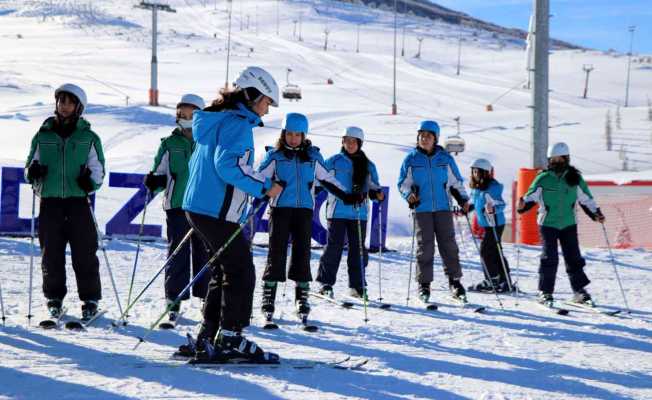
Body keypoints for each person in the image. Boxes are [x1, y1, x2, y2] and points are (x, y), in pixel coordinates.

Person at [181, 66, 283, 362]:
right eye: (266, 102)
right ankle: (231, 337)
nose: (267, 110)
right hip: (216, 211)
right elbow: (228, 167)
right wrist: (265, 187)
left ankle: (210, 334)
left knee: (223, 271)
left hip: (202, 208)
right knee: (240, 271)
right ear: (251, 95)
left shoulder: (217, 120)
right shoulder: (236, 124)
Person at [257, 113, 350, 322]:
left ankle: (301, 297)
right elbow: (258, 178)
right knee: (276, 251)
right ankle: (268, 296)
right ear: (283, 134)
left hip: (304, 211)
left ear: (303, 136)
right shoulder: (274, 156)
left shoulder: (313, 157)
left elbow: (328, 179)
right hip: (280, 209)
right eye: (289, 134)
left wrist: (348, 195)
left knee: (302, 252)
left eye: (297, 135)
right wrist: (269, 187)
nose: (293, 138)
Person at [25, 83, 105, 320]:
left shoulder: (89, 137)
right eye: (61, 101)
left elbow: (98, 169)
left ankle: (90, 300)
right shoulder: (43, 135)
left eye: (70, 102)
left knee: (85, 253)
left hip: (78, 202)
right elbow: (30, 164)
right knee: (51, 253)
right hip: (50, 202)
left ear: (78, 107)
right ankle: (54, 298)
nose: (64, 106)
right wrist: (34, 172)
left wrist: (89, 182)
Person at [144, 94, 210, 324]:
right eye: (182, 114)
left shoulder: (209, 143)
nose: (185, 118)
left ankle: (206, 299)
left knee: (204, 253)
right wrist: (155, 182)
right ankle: (173, 300)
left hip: (204, 208)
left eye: (191, 114)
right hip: (177, 207)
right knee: (177, 254)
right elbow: (160, 173)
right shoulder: (169, 143)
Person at [518, 142, 605, 306]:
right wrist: (522, 206)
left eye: (560, 159)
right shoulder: (543, 178)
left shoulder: (574, 178)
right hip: (548, 223)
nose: (556, 162)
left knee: (574, 257)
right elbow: (530, 198)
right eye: (553, 159)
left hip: (568, 223)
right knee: (549, 258)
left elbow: (586, 199)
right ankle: (545, 292)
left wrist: (596, 213)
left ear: (566, 159)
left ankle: (579, 291)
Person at [397, 120, 471, 303]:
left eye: (428, 136)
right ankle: (424, 285)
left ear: (435, 138)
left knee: (449, 246)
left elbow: (456, 182)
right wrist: (409, 196)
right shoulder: (411, 159)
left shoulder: (445, 159)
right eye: (421, 135)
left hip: (443, 209)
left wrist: (463, 200)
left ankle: (455, 282)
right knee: (425, 248)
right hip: (421, 209)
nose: (424, 138)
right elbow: (403, 184)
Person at [316, 126, 384, 299]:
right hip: (337, 211)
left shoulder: (368, 165)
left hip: (359, 213)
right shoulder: (333, 161)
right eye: (347, 140)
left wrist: (377, 194)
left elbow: (373, 187)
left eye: (354, 141)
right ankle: (325, 284)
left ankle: (357, 285)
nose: (351, 144)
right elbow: (320, 180)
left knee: (358, 251)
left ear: (359, 143)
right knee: (333, 248)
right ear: (343, 141)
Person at [467, 158, 513, 293]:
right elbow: (475, 203)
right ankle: (505, 280)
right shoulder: (477, 188)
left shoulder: (492, 187)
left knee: (486, 251)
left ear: (485, 173)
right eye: (473, 172)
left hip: (495, 224)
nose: (475, 174)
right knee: (496, 252)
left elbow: (501, 204)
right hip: (488, 225)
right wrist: (466, 208)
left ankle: (492, 280)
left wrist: (493, 208)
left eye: (478, 172)